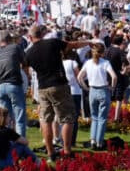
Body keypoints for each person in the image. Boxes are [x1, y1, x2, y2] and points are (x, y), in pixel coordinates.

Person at [23, 24, 89, 159]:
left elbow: (25, 69)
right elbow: (73, 45)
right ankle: (66, 151)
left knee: (46, 119)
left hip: (42, 87)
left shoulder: (28, 53)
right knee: (67, 118)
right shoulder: (52, 43)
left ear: (30, 37)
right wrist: (88, 42)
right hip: (59, 84)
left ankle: (50, 152)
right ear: (42, 34)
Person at [78, 41, 117, 150]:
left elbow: (79, 77)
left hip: (92, 91)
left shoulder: (88, 63)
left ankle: (93, 140)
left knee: (94, 117)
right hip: (103, 90)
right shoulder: (105, 63)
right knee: (102, 118)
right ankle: (99, 142)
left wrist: (85, 88)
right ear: (103, 52)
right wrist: (112, 87)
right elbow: (114, 77)